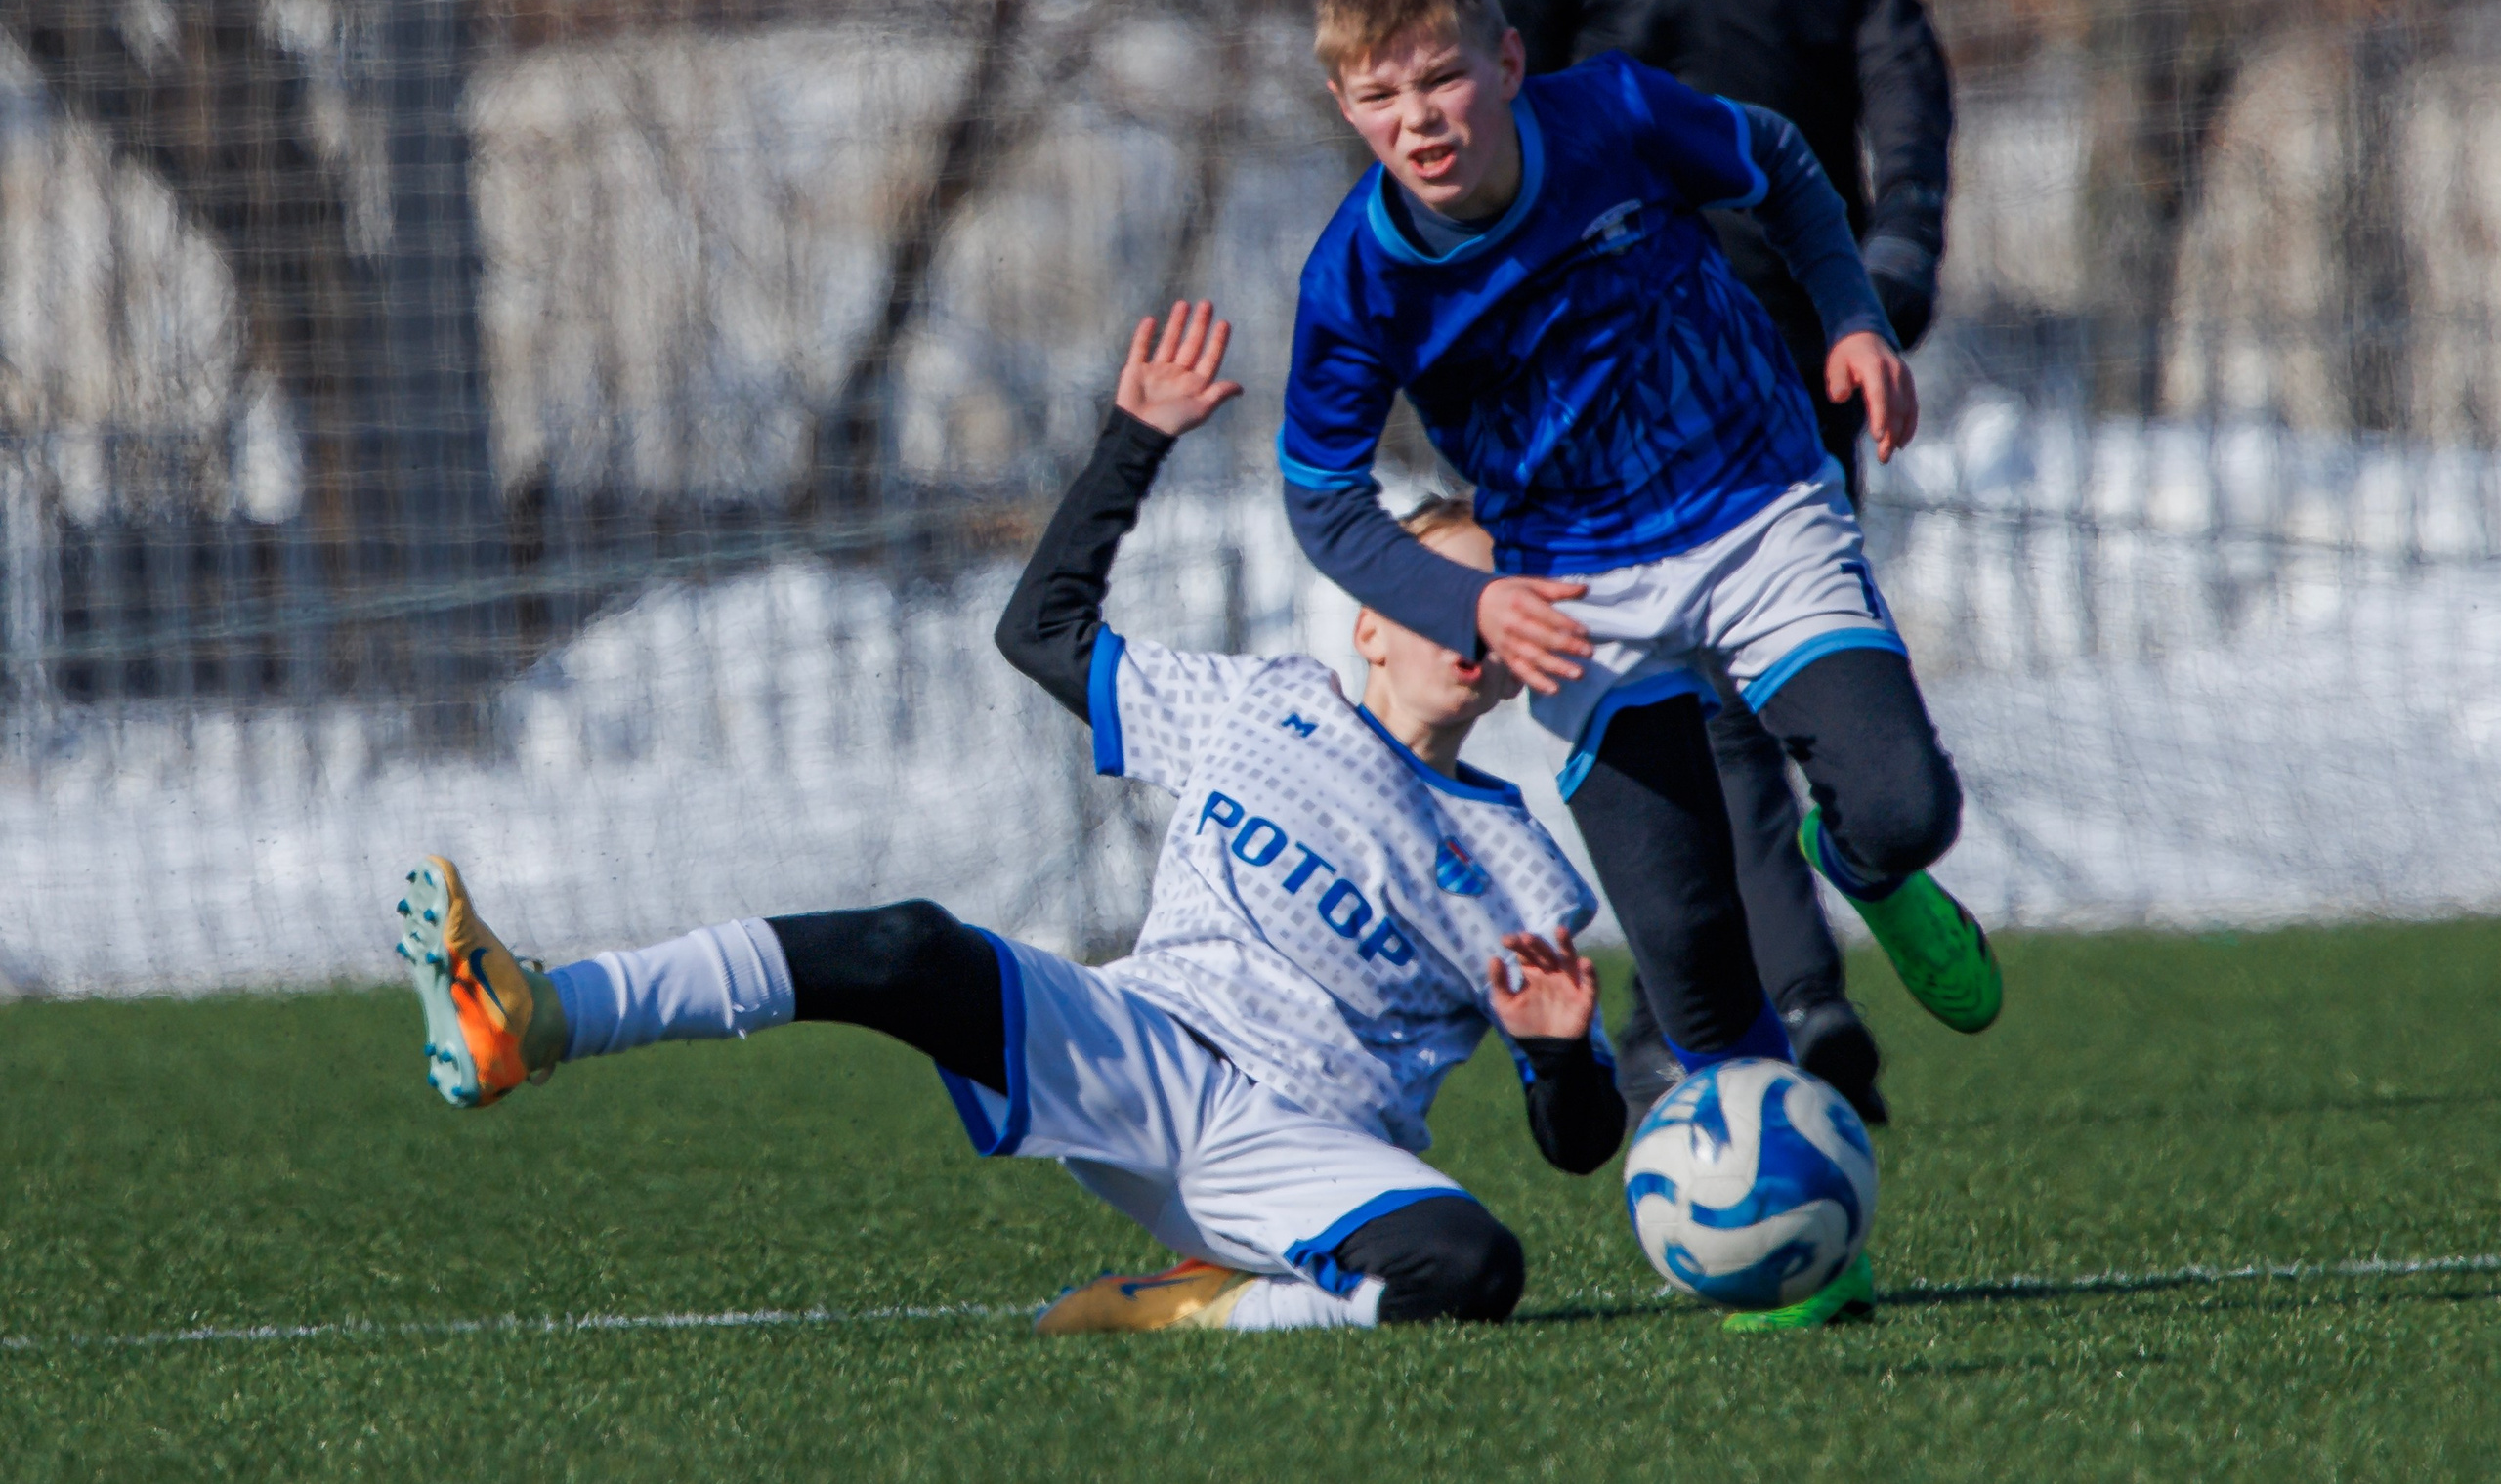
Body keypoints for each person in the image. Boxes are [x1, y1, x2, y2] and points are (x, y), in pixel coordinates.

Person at [396, 301, 1624, 1336]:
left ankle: (1201, 1307)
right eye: (1436, 589)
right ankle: (536, 1018)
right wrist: (1133, 442)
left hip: (1302, 1150)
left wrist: (1561, 1052)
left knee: (1472, 1266)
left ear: (1518, 651)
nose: (1463, 620)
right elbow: (1038, 634)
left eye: (1488, 603)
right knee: (903, 948)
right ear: (1366, 614)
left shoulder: (1520, 867)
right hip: (1139, 1044)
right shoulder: (1262, 703)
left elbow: (1576, 1146)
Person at [1279, 0, 1995, 1324]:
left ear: (1508, 57)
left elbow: (1781, 162)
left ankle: (1861, 859)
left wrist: (1850, 315)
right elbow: (1324, 504)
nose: (1419, 121)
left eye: (1443, 80)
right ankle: (1790, 1250)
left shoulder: (1607, 115)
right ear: (1342, 105)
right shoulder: (1354, 280)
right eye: (1380, 96)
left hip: (1752, 501)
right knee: (1687, 960)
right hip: (1577, 596)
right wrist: (1469, 597)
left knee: (1907, 810)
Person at [1486, 0, 1960, 1120]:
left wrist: (1884, 275)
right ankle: (1795, 1001)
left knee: (1783, 688)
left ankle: (1740, 985)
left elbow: (1899, 65)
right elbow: (1499, 148)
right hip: (1622, 386)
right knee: (1687, 710)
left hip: (1803, 352)